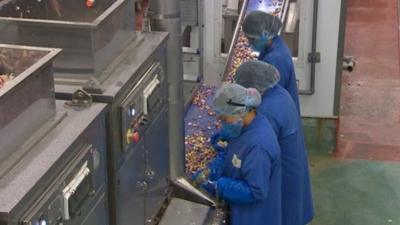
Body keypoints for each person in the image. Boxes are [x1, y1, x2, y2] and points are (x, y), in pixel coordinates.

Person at [235, 60, 314, 225]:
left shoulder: (267, 111)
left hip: (282, 182)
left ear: (254, 90)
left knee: (285, 216)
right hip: (292, 168)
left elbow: (256, 145)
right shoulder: (278, 93)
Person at [192, 83, 282, 225]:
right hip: (239, 210)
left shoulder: (259, 145)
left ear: (240, 112)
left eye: (224, 119)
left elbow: (255, 191)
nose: (222, 124)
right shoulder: (244, 127)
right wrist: (211, 171)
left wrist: (218, 185)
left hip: (253, 216)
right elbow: (230, 153)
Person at [242, 10, 300, 112]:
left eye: (252, 39)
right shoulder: (273, 45)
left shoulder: (276, 58)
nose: (249, 43)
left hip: (279, 113)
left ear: (265, 33)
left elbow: (270, 94)